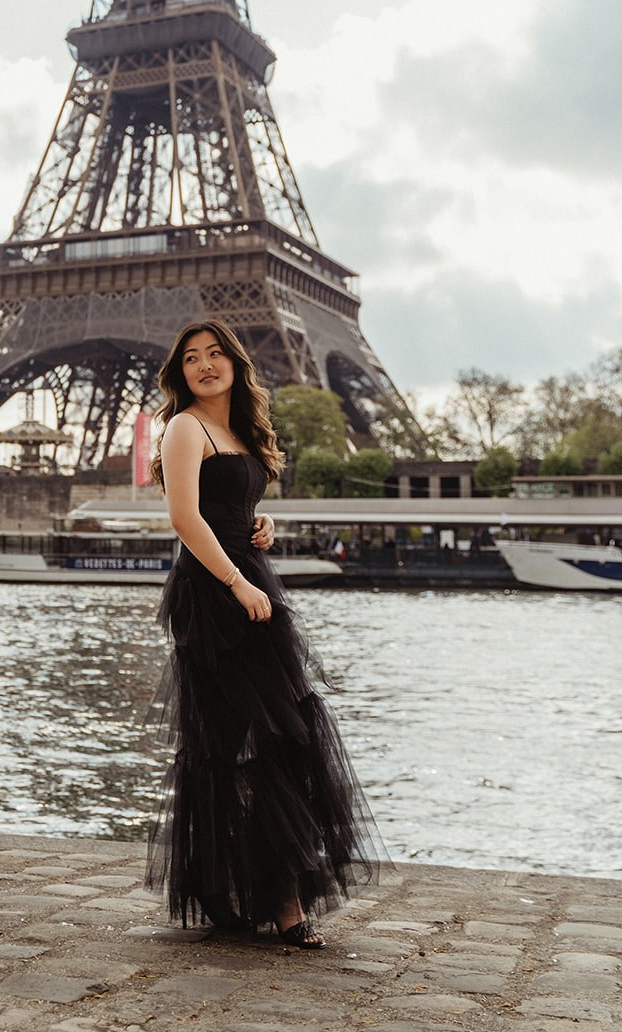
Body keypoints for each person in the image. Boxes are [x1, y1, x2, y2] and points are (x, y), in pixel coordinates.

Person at [146, 322, 378, 947]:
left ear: (235, 362)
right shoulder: (184, 427)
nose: (204, 365)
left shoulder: (239, 430)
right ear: (180, 373)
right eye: (190, 358)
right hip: (217, 591)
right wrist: (236, 585)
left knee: (274, 736)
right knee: (239, 741)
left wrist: (262, 521)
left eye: (215, 353)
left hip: (247, 578)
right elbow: (184, 517)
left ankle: (259, 895)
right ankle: (276, 904)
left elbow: (230, 505)